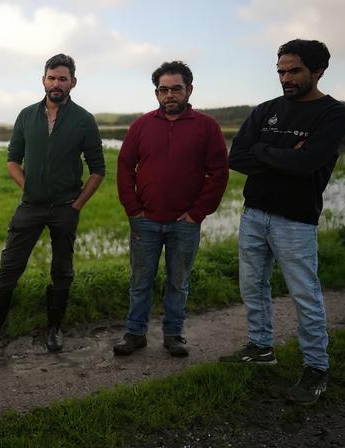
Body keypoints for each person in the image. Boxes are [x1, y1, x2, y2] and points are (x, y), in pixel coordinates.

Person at [220, 39, 345, 405]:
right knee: (252, 286)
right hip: (254, 213)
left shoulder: (332, 114)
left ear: (318, 70)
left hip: (296, 220)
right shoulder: (266, 110)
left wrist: (266, 153)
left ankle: (316, 368)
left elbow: (306, 164)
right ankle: (261, 348)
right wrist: (279, 155)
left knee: (305, 295)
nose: (285, 78)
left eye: (294, 70)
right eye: (281, 71)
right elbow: (238, 157)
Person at [0, 54, 106, 352]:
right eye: (51, 77)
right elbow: (12, 160)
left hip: (65, 208)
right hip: (30, 207)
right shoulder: (26, 115)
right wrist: (28, 186)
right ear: (43, 80)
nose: (56, 83)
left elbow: (98, 169)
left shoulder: (84, 120)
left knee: (62, 269)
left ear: (73, 82)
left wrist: (77, 206)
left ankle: (55, 329)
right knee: (9, 265)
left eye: (63, 78)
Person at [114, 61, 229, 358]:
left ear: (188, 90)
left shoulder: (207, 127)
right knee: (140, 282)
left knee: (178, 282)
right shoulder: (141, 125)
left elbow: (218, 173)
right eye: (163, 90)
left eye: (176, 89)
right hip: (145, 222)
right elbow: (125, 166)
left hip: (185, 223)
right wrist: (133, 209)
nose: (169, 95)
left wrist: (196, 214)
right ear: (156, 93)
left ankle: (173, 335)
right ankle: (135, 334)